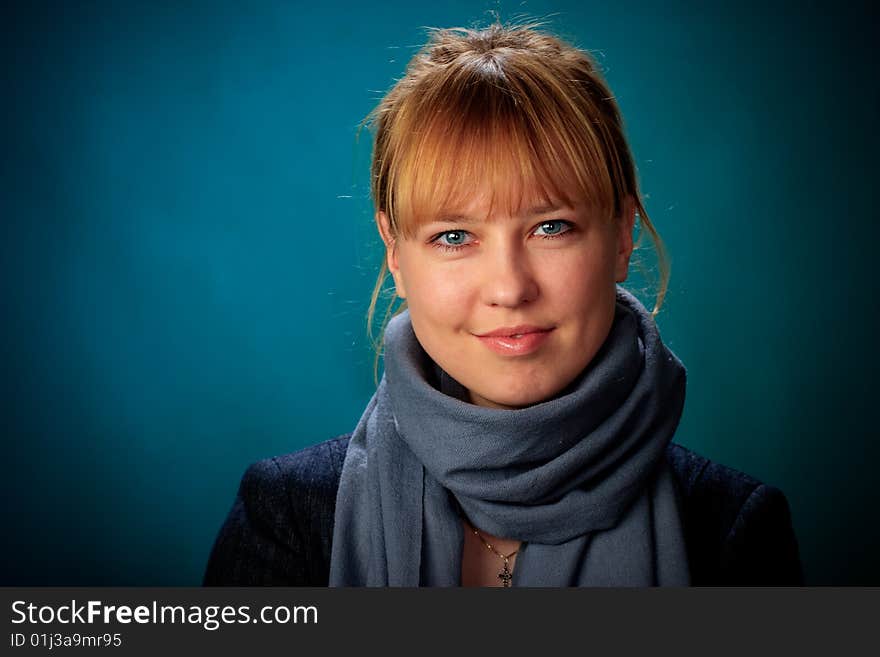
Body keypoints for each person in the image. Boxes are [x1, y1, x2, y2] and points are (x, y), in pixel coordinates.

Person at [203, 22, 802, 587]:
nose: (510, 288)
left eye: (551, 227)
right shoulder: (285, 517)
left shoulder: (732, 528)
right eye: (454, 236)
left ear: (622, 236)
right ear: (394, 253)